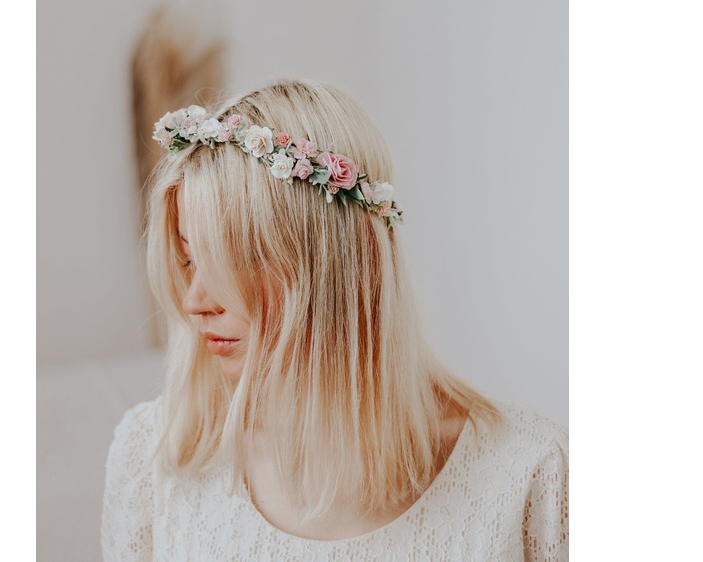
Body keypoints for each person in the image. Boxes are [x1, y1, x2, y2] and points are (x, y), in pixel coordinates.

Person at [101, 78, 568, 561]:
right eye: (189, 261)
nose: (195, 301)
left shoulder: (531, 474)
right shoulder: (152, 458)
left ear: (344, 261)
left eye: (234, 259)